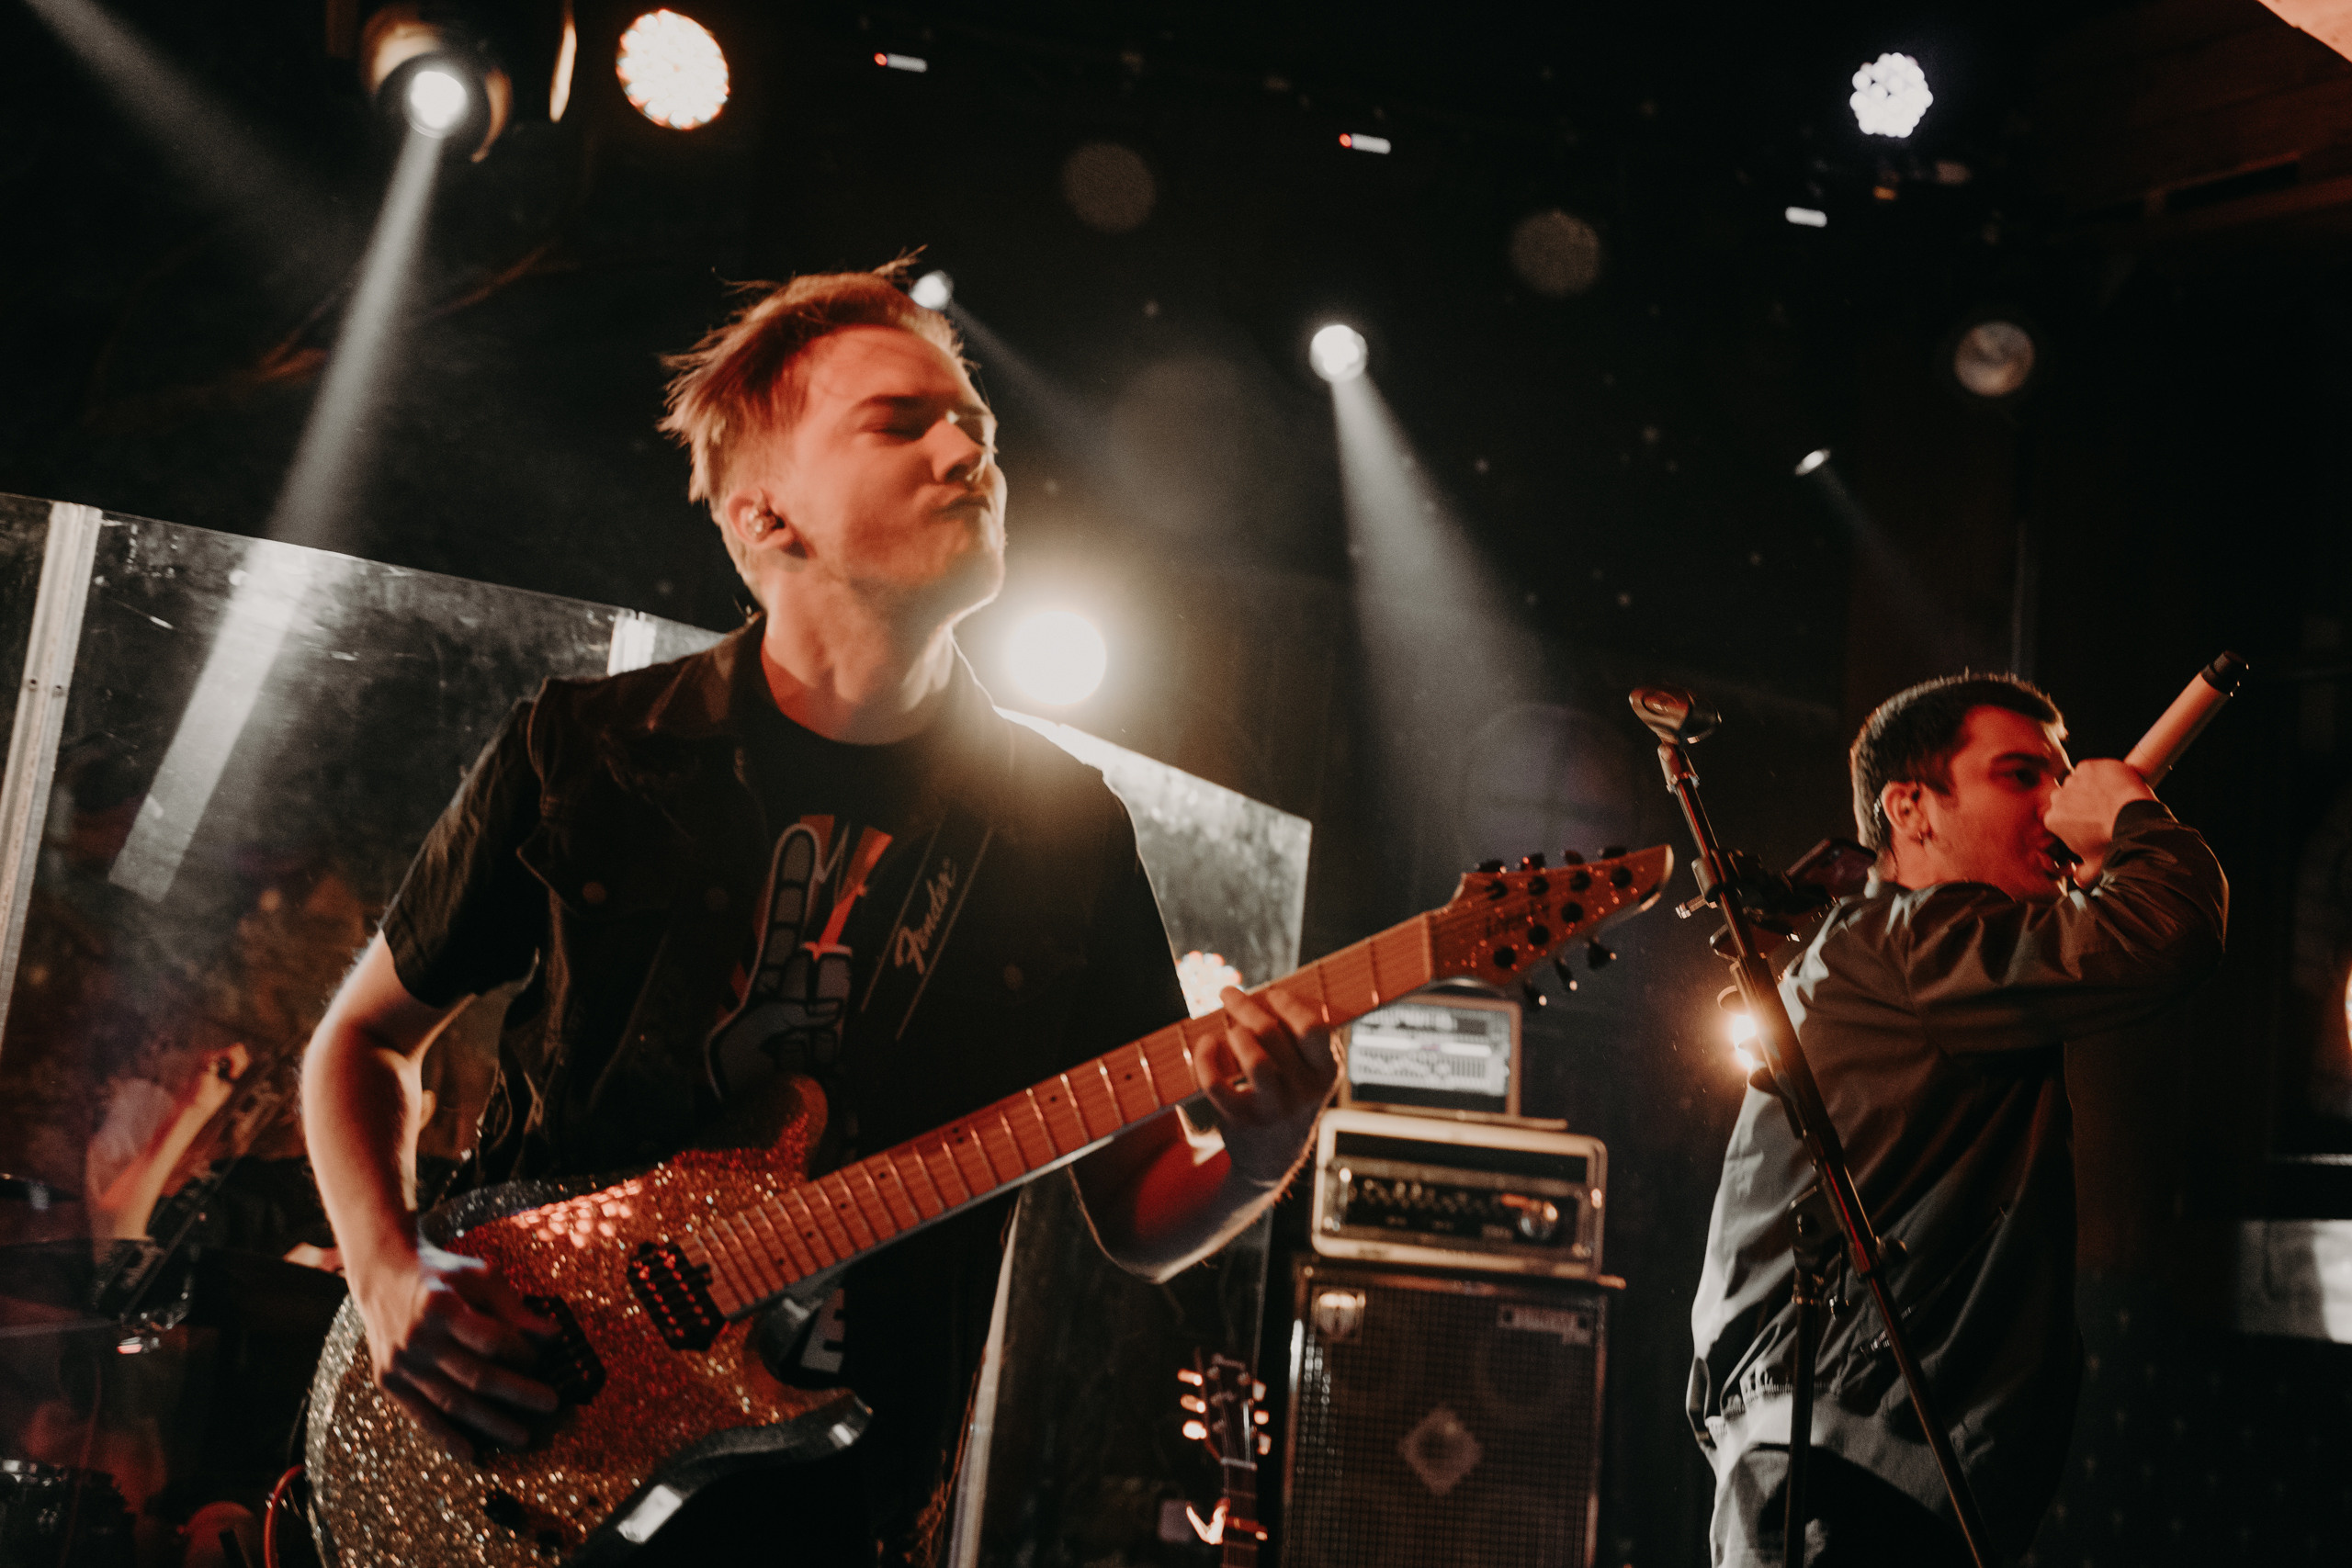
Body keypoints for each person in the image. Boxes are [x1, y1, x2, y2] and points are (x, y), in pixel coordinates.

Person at [300, 261, 1336, 1565]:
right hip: (523, 1435)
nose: (972, 451)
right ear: (766, 512)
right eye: (903, 421)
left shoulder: (1061, 830)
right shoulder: (586, 750)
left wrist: (1261, 1149)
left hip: (842, 1506)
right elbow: (358, 1042)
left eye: (981, 427)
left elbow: (1135, 1211)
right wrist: (388, 1269)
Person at [1686, 673, 2227, 1566]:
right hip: (1854, 1466)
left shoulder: (1896, 956)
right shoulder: (1913, 940)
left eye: (2063, 777)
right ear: (1911, 808)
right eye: (2022, 776)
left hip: (1858, 1457)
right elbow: (2166, 927)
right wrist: (2131, 818)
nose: (2058, 801)